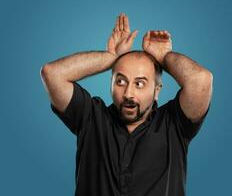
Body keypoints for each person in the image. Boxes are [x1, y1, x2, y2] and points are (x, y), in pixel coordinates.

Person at [40, 12, 213, 196]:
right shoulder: (90, 118)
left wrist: (164, 57)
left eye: (140, 84)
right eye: (121, 81)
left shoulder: (174, 124)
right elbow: (52, 74)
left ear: (157, 90)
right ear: (111, 84)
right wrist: (110, 57)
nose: (128, 93)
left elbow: (201, 80)